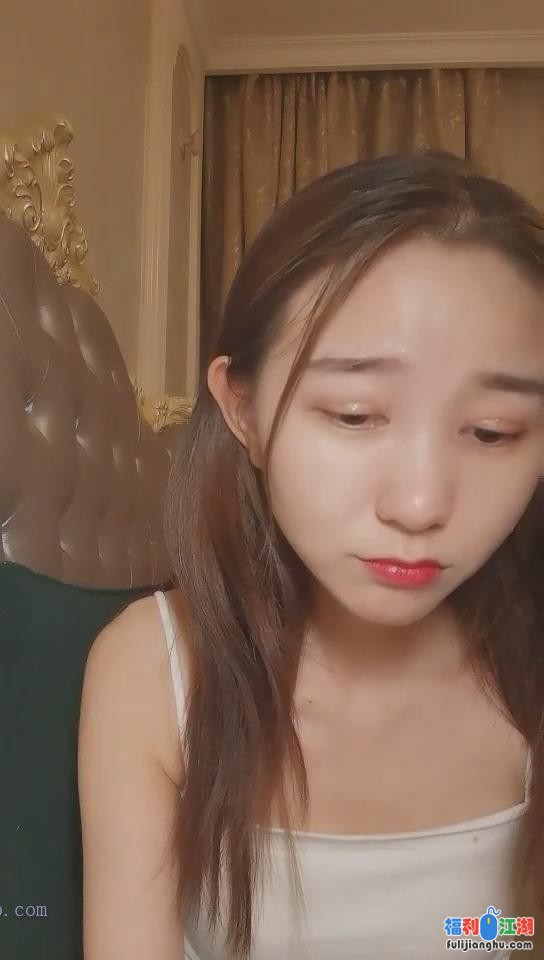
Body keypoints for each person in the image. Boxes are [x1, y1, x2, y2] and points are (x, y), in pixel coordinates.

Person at [78, 149, 544, 960]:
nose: (420, 505)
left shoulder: (524, 675)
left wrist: (471, 937)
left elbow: (519, 932)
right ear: (244, 410)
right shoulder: (155, 673)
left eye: (492, 431)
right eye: (356, 415)